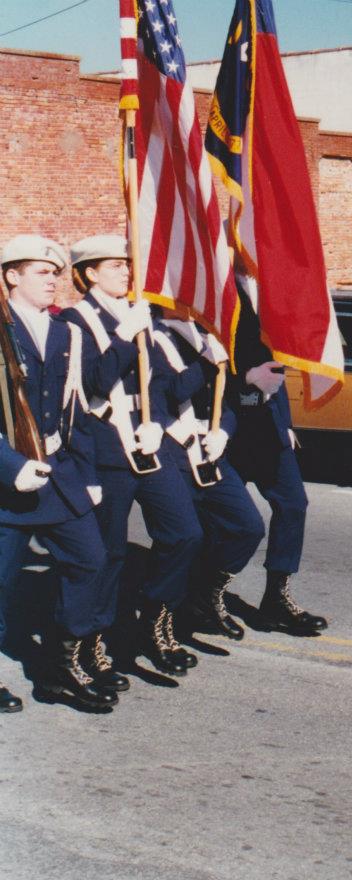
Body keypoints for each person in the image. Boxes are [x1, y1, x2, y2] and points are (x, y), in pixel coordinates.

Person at [59, 235, 203, 677]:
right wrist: (124, 336)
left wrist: (205, 361)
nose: (125, 270)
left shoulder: (145, 317)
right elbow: (94, 380)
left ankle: (155, 619)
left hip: (152, 444)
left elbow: (167, 386)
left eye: (127, 263)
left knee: (184, 533)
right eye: (114, 265)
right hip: (107, 450)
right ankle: (94, 640)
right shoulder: (74, 320)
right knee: (110, 552)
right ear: (88, 275)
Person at [0, 235, 116, 712]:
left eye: (56, 273)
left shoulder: (66, 332)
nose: (53, 280)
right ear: (11, 276)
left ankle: (60, 666)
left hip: (59, 474)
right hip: (8, 483)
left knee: (90, 561)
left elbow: (79, 411)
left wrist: (87, 472)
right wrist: (10, 465)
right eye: (41, 272)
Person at [224, 279, 327, 636]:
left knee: (293, 504)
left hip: (268, 423)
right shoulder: (217, 284)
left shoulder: (271, 283)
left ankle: (276, 598)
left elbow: (278, 364)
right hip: (227, 423)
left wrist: (285, 421)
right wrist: (246, 379)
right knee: (224, 519)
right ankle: (205, 595)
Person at [152, 318, 265, 641]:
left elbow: (224, 401)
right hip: (173, 449)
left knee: (247, 527)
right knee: (182, 539)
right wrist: (205, 359)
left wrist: (223, 432)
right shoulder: (154, 336)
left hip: (210, 451)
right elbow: (173, 391)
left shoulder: (204, 335)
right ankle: (161, 618)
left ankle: (205, 594)